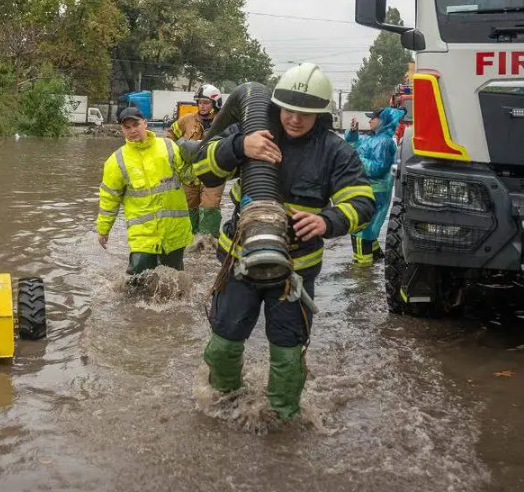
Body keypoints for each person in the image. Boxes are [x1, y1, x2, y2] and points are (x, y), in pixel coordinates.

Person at [187, 64, 375, 419]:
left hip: (295, 273)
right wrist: (240, 145)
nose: (295, 119)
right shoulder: (253, 131)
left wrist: (327, 220)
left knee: (288, 353)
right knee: (225, 340)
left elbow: (363, 201)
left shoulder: (335, 151)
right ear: (275, 104)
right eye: (289, 109)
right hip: (239, 264)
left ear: (321, 114)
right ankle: (222, 404)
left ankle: (282, 418)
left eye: (306, 113)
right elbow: (201, 169)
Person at [97, 107, 193, 276]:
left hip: (174, 231)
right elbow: (109, 200)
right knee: (135, 283)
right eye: (127, 127)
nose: (132, 130)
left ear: (145, 124)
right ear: (122, 130)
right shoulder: (116, 161)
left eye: (136, 124)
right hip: (143, 236)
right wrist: (103, 230)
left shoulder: (168, 146)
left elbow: (188, 176)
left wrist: (204, 161)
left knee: (174, 282)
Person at [345, 107, 404, 266]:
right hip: (368, 189)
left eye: (373, 118)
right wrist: (352, 132)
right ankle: (376, 260)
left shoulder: (383, 142)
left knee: (359, 230)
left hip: (373, 191)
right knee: (368, 228)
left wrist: (357, 159)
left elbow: (377, 168)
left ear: (383, 121)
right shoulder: (375, 138)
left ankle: (362, 274)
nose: (370, 121)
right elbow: (354, 144)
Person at [167, 84, 225, 240]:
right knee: (188, 210)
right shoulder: (186, 120)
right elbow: (170, 137)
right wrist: (175, 155)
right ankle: (189, 242)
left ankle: (208, 245)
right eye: (199, 102)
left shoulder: (224, 123)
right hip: (189, 177)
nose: (202, 106)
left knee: (210, 208)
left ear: (215, 104)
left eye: (206, 103)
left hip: (213, 177)